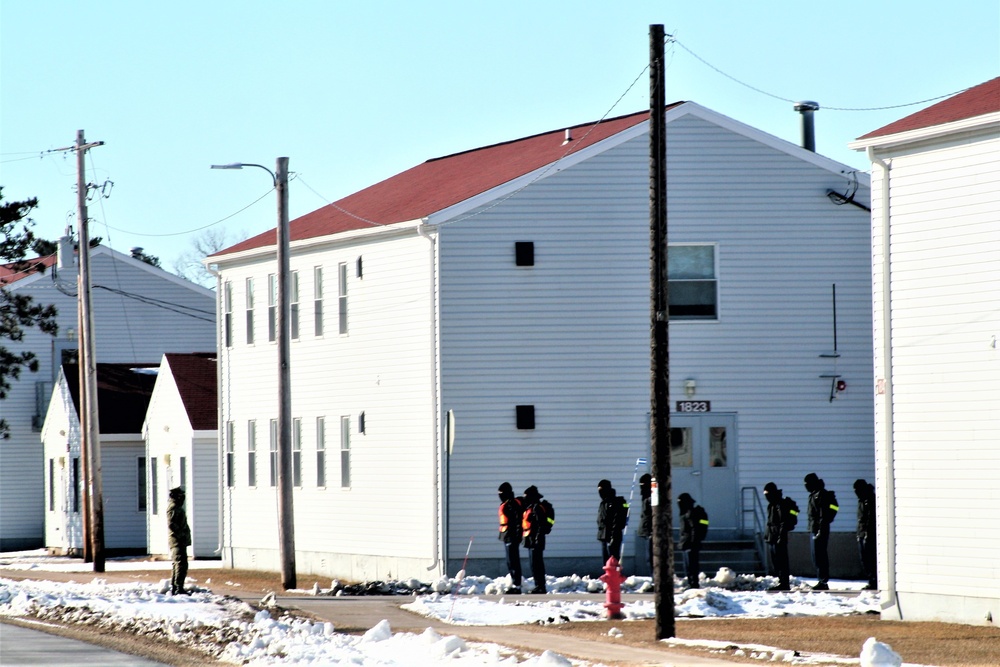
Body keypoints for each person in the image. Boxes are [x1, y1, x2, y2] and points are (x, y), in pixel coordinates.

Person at [804, 472, 838, 590]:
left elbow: (831, 509)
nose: (806, 486)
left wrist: (824, 525)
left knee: (820, 555)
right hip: (814, 529)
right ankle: (821, 580)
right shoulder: (813, 495)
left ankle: (823, 581)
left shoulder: (821, 495)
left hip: (820, 529)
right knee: (816, 556)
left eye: (807, 484)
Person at [763, 482, 796, 590]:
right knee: (776, 561)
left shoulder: (780, 505)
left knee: (781, 560)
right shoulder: (771, 505)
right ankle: (781, 581)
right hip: (772, 537)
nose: (766, 496)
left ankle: (784, 583)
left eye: (767, 493)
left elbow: (783, 522)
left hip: (779, 537)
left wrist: (780, 536)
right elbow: (770, 522)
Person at [521, 485, 550, 594]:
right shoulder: (531, 507)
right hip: (531, 540)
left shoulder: (537, 508)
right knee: (534, 564)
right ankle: (538, 585)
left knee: (537, 564)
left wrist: (538, 538)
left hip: (536, 540)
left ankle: (540, 586)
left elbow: (541, 525)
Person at [677, 492, 708, 589]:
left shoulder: (690, 513)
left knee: (691, 566)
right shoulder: (688, 513)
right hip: (687, 543)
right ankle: (692, 583)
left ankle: (693, 584)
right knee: (689, 566)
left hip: (690, 544)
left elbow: (694, 529)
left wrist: (693, 543)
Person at [497, 482, 523, 594]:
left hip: (512, 536)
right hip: (507, 536)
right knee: (510, 561)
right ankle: (515, 583)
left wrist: (517, 535)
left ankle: (517, 586)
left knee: (513, 561)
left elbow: (517, 521)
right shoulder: (507, 503)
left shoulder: (512, 504)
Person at [596, 480, 628, 565]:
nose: (600, 493)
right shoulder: (603, 503)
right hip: (604, 536)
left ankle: (614, 577)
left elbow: (618, 519)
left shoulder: (616, 502)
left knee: (613, 562)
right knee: (606, 562)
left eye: (602, 490)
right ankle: (608, 576)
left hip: (613, 536)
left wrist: (613, 535)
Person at [167, 486, 192, 595]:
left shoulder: (176, 507)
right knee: (180, 564)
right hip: (177, 541)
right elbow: (172, 524)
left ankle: (176, 586)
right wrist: (181, 535)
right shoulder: (173, 508)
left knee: (179, 564)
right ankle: (178, 588)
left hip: (179, 540)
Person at [854, 479, 877, 590]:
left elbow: (870, 518)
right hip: (861, 532)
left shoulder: (870, 499)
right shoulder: (861, 500)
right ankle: (870, 579)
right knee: (864, 558)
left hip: (869, 533)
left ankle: (874, 580)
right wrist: (859, 533)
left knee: (870, 558)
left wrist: (867, 532)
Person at [637, 474, 653, 574]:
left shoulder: (652, 498)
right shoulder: (645, 497)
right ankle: (654, 579)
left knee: (651, 558)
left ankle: (655, 580)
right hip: (647, 531)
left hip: (651, 532)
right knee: (649, 558)